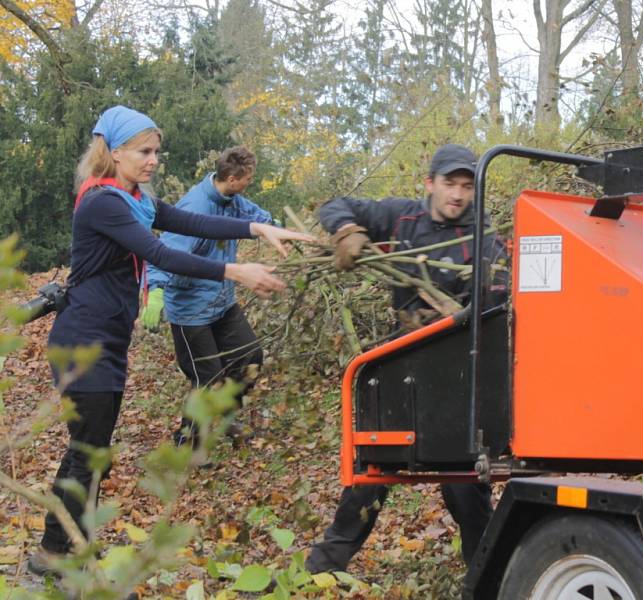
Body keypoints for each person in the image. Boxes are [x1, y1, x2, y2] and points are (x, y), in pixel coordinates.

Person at [28, 105, 313, 576]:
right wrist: (234, 270)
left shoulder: (133, 198)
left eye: (156, 151)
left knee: (92, 452)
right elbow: (159, 251)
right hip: (83, 343)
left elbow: (191, 223)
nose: (153, 159)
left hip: (107, 340)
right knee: (87, 453)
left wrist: (255, 227)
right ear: (114, 152)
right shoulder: (104, 202)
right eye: (144, 151)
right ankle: (57, 553)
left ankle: (66, 547)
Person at [306, 143, 508, 574]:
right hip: (401, 371)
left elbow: (499, 307)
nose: (457, 195)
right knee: (368, 481)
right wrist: (347, 230)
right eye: (449, 184)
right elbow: (335, 205)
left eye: (466, 187)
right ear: (430, 183)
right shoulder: (402, 217)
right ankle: (317, 575)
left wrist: (465, 315)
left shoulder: (484, 240)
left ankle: (486, 579)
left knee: (467, 492)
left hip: (458, 377)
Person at [141, 146, 275, 447]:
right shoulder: (196, 207)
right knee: (206, 380)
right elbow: (166, 252)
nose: (249, 183)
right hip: (190, 310)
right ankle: (187, 445)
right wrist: (156, 291)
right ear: (231, 177)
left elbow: (255, 216)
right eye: (248, 179)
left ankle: (227, 416)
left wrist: (277, 229)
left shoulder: (231, 199)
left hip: (221, 302)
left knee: (250, 356)